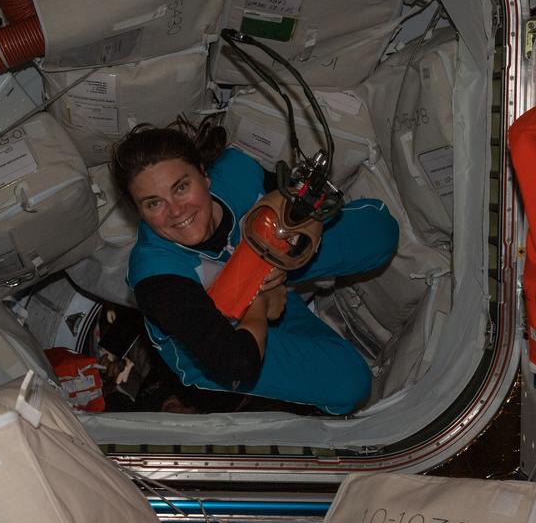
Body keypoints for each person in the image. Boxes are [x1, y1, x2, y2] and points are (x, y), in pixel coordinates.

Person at [112, 118, 400, 415]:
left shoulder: (237, 172)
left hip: (269, 264)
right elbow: (236, 362)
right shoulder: (156, 275)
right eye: (153, 204)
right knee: (351, 385)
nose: (176, 211)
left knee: (378, 232)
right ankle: (310, 364)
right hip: (230, 335)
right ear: (139, 213)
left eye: (181, 187)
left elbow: (297, 208)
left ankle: (299, 329)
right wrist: (260, 301)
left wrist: (293, 246)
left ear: (204, 175)